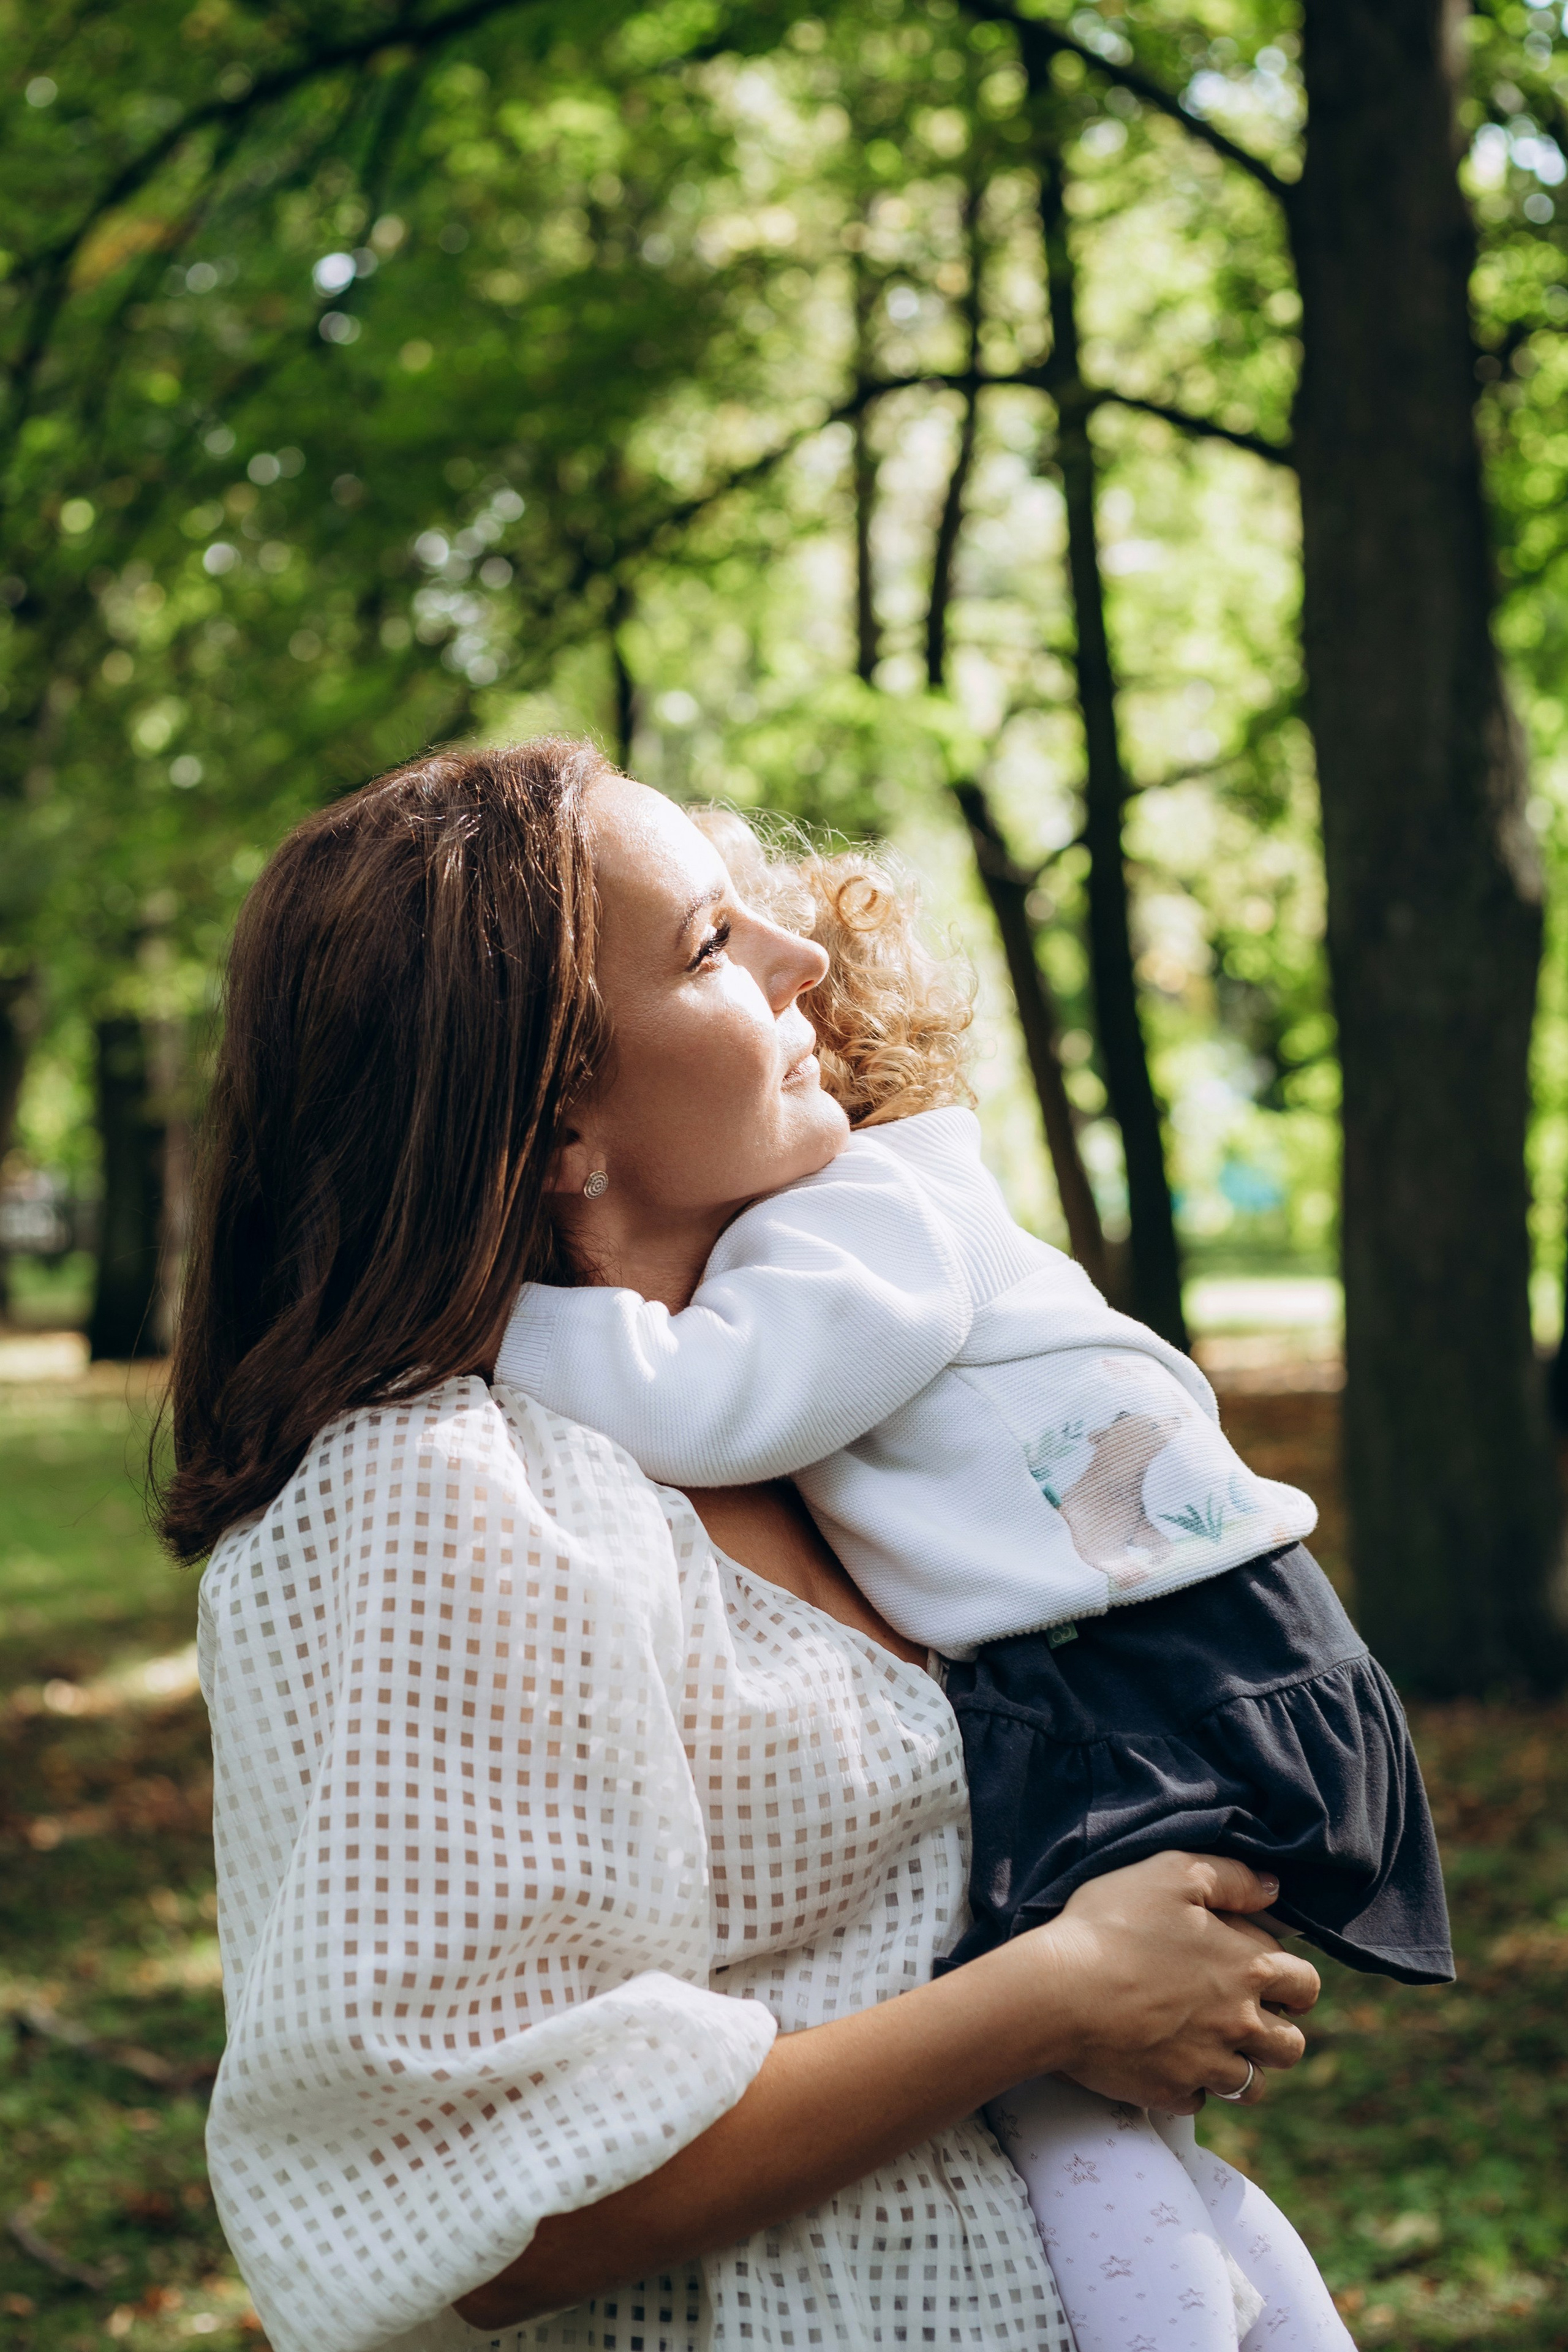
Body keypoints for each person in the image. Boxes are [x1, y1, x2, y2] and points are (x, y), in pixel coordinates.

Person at [161, 739, 1324, 2352]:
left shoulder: (827, 1434)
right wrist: (1054, 1998)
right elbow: (479, 2198)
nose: (800, 956)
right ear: (557, 1115)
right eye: (712, 946)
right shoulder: (431, 1487)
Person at [494, 816, 1453, 2351]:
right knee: (1100, 2122)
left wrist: (483, 1330)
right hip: (1157, 1659)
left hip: (1151, 1680)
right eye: (716, 949)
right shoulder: (868, 1220)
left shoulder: (872, 1215)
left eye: (769, 957)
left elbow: (700, 1402)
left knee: (1060, 2104)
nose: (781, 982)